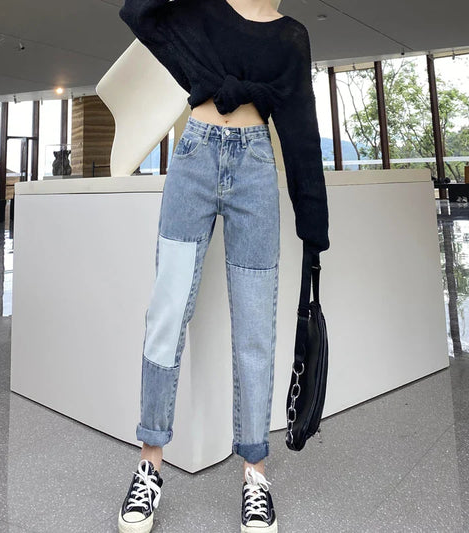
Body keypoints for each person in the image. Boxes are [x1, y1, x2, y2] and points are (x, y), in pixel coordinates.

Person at [117, 0, 330, 531]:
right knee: (166, 313)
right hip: (194, 157)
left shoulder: (291, 36)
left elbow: (301, 131)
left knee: (256, 329)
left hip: (255, 168)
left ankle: (255, 474)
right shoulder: (203, 8)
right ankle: (149, 464)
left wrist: (314, 230)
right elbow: (138, 12)